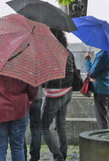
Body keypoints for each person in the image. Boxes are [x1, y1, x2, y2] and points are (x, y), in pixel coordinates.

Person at [0, 58, 38, 161]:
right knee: (17, 147)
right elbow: (32, 86)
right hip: (19, 107)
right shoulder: (25, 60)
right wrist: (30, 99)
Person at [41, 29, 75, 161]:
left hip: (54, 94)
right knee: (61, 124)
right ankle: (63, 153)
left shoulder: (49, 54)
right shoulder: (69, 53)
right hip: (67, 93)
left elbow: (44, 79)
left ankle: (58, 156)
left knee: (43, 126)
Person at [84, 50, 109, 129]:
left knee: (101, 119)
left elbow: (92, 73)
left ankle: (103, 139)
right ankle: (106, 136)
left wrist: (88, 60)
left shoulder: (102, 55)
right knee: (105, 117)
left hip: (100, 90)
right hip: (107, 89)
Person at [24, 85, 43, 161]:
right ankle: (35, 156)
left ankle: (22, 155)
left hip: (22, 97)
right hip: (37, 96)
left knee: (20, 129)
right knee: (36, 128)